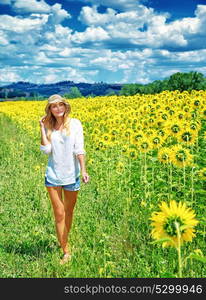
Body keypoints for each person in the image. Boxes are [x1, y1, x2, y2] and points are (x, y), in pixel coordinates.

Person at [39, 94, 89, 265]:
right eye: (54, 106)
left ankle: (64, 238)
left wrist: (83, 170)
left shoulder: (75, 124)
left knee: (69, 213)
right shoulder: (49, 126)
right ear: (50, 110)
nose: (58, 108)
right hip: (53, 176)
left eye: (61, 105)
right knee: (59, 213)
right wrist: (42, 127)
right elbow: (46, 150)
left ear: (65, 107)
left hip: (71, 176)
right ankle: (66, 251)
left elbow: (79, 149)